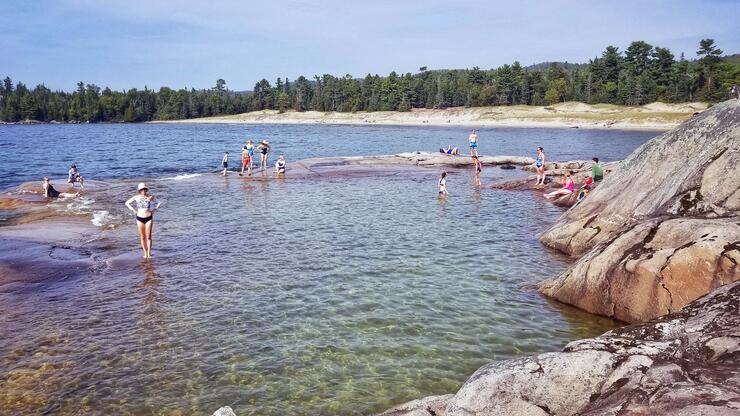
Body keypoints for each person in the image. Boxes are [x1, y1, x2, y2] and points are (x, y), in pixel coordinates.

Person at [124, 183, 161, 259]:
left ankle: (149, 254)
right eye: (142, 189)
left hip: (149, 218)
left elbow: (159, 202)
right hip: (139, 218)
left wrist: (154, 210)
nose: (143, 190)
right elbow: (127, 203)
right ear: (139, 190)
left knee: (149, 237)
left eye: (144, 189)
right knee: (142, 237)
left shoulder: (150, 197)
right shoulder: (136, 197)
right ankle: (145, 253)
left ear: (146, 189)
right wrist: (133, 210)